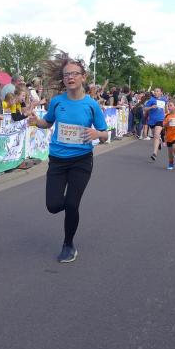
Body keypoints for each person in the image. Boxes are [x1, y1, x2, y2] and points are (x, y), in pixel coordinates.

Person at [27, 58, 108, 263]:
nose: (70, 77)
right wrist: (36, 122)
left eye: (74, 74)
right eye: (66, 75)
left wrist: (97, 133)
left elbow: (105, 134)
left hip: (81, 160)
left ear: (83, 77)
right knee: (53, 205)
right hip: (57, 160)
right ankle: (70, 208)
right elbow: (47, 123)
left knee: (72, 204)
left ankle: (68, 244)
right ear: (63, 79)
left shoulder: (91, 105)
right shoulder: (57, 102)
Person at [144, 87, 168, 161]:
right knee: (155, 135)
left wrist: (166, 112)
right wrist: (151, 107)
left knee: (157, 135)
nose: (156, 92)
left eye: (157, 91)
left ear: (161, 92)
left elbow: (166, 110)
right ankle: (159, 142)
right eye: (155, 91)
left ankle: (154, 153)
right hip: (152, 120)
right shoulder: (151, 100)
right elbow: (145, 108)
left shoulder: (164, 99)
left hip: (160, 119)